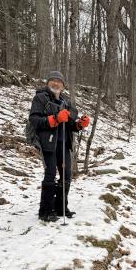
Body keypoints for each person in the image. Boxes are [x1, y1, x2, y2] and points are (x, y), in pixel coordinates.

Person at [28, 71, 90, 222]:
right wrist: (54, 119)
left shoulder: (65, 103)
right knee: (50, 174)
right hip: (48, 143)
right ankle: (45, 211)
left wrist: (79, 125)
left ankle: (61, 208)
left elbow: (70, 126)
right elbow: (34, 119)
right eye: (53, 81)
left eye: (59, 82)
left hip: (64, 143)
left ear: (63, 86)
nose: (56, 83)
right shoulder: (40, 98)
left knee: (66, 175)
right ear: (48, 83)